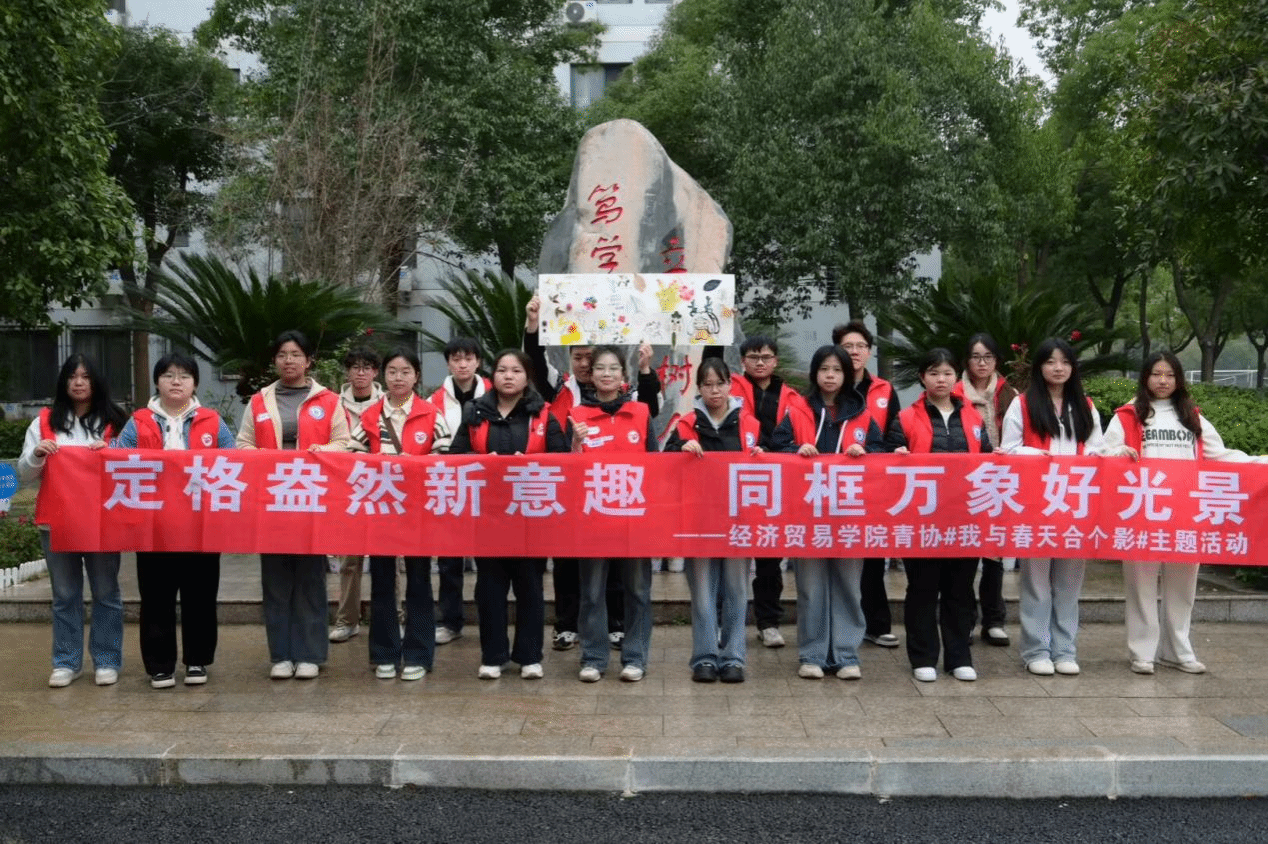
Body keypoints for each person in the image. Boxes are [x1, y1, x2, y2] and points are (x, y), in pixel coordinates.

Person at [1102, 351, 1263, 675]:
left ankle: (1176, 651)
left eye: (1170, 375)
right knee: (1141, 584)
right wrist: (1119, 452)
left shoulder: (1191, 416)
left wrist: (1260, 463)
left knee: (1183, 587)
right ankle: (1142, 652)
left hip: (1186, 515)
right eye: (1156, 374)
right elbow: (1104, 453)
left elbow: (1220, 455)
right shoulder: (1128, 415)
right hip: (1142, 512)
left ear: (1178, 379)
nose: (1163, 381)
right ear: (1145, 377)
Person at [524, 295, 662, 653]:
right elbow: (535, 360)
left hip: (618, 492)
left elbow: (650, 408)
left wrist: (646, 368)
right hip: (569, 488)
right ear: (570, 359)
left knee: (615, 564)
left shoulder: (627, 395)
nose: (586, 365)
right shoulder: (561, 387)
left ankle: (616, 626)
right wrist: (534, 325)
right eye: (579, 358)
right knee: (568, 562)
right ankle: (567, 625)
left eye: (593, 358)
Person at [112, 352, 236, 688]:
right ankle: (160, 665)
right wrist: (99, 450)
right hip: (154, 527)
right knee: (156, 597)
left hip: (200, 526)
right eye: (168, 375)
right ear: (157, 382)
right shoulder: (138, 422)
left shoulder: (213, 421)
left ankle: (197, 660)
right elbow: (116, 459)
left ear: (195, 383)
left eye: (184, 375)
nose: (176, 381)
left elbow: (234, 462)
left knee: (201, 595)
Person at [236, 330, 351, 680]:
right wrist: (260, 456)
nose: (289, 360)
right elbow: (242, 444)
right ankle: (281, 655)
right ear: (275, 361)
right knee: (275, 579)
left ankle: (310, 654)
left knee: (310, 578)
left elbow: (344, 442)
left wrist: (323, 451)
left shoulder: (329, 400)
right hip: (271, 501)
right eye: (283, 354)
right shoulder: (259, 401)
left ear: (308, 360)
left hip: (311, 499)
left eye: (296, 354)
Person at [450, 349, 568, 680]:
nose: (508, 376)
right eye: (502, 370)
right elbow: (454, 457)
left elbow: (562, 462)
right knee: (489, 589)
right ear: (493, 376)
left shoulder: (542, 414)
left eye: (516, 370)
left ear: (527, 377)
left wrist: (530, 463)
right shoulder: (475, 412)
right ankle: (493, 656)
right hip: (488, 516)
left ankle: (530, 656)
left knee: (530, 586)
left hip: (530, 515)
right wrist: (481, 460)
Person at [772, 345, 885, 681]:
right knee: (811, 587)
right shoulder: (797, 410)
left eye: (837, 370)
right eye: (824, 369)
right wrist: (796, 450)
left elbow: (882, 453)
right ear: (815, 373)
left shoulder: (863, 414)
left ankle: (846, 654)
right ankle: (813, 654)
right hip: (808, 514)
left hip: (850, 515)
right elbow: (776, 448)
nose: (831, 376)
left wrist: (864, 451)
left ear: (847, 374)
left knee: (849, 585)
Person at [18, 354, 127, 688]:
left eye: (85, 376)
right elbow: (23, 475)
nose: (79, 382)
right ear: (63, 382)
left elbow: (135, 467)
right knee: (65, 595)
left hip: (102, 522)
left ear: (96, 381)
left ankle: (107, 659)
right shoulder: (44, 422)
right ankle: (66, 662)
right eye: (72, 376)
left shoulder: (115, 421)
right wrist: (37, 455)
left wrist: (112, 452)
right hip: (57, 522)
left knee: (106, 592)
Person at [999, 338, 1103, 676]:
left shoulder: (1085, 405)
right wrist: (1037, 456)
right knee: (1036, 582)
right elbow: (1008, 449)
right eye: (1050, 362)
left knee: (1069, 583)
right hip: (1035, 504)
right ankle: (1036, 650)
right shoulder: (1023, 405)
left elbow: (1097, 450)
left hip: (1075, 504)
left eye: (1065, 362)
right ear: (1039, 367)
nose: (1058, 368)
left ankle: (1065, 650)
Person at [890, 348, 992, 683]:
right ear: (923, 377)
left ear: (956, 377)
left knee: (960, 589)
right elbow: (886, 463)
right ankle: (923, 657)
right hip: (921, 519)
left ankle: (959, 657)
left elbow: (986, 460)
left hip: (965, 517)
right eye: (934, 373)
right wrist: (895, 454)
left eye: (947, 373)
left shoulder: (973, 418)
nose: (941, 380)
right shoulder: (906, 418)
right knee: (922, 587)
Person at [663, 358, 761, 683]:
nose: (714, 390)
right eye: (707, 384)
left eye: (720, 383)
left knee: (736, 591)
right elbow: (664, 465)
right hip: (698, 521)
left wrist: (760, 455)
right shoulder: (686, 424)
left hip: (738, 520)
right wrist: (681, 448)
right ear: (699, 388)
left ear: (730, 385)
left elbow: (767, 464)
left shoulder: (750, 424)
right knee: (703, 594)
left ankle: (733, 657)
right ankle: (704, 657)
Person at [353, 349, 448, 681]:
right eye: (392, 371)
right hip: (381, 509)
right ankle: (384, 654)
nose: (398, 377)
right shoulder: (370, 416)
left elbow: (445, 458)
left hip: (419, 512)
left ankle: (419, 654)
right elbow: (353, 456)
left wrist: (416, 464)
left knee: (419, 581)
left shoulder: (432, 414)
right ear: (384, 375)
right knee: (381, 581)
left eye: (405, 371)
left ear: (416, 376)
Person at [566, 345, 658, 683]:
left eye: (614, 368)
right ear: (590, 375)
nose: (607, 374)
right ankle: (593, 658)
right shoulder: (577, 414)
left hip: (634, 518)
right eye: (600, 368)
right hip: (593, 519)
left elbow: (656, 465)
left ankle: (635, 658)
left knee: (638, 591)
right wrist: (575, 445)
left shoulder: (640, 412)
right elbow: (567, 473)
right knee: (592, 593)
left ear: (624, 376)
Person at [729, 335, 808, 649]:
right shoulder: (729, 389)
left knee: (770, 557)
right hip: (736, 481)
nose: (759, 362)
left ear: (775, 361)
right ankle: (727, 622)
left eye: (765, 357)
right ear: (743, 361)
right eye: (753, 357)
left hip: (776, 483)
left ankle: (769, 622)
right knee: (731, 557)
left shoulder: (792, 396)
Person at [835, 321, 903, 650]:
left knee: (873, 555)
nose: (854, 352)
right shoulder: (829, 385)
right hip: (835, 485)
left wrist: (881, 454)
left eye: (860, 346)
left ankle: (877, 624)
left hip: (874, 484)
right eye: (847, 346)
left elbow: (895, 433)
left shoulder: (885, 390)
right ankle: (839, 625)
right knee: (838, 555)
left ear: (870, 351)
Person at [953, 332, 1020, 648]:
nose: (982, 363)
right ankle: (964, 620)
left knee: (995, 552)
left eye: (988, 357)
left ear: (996, 360)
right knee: (965, 554)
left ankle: (994, 620)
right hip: (961, 482)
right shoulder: (953, 392)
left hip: (1000, 481)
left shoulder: (1010, 394)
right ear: (967, 360)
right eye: (976, 356)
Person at [427, 337, 491, 647]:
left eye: (468, 358)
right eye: (456, 359)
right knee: (449, 560)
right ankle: (450, 621)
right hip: (449, 486)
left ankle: (489, 618)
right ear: (448, 363)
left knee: (488, 560)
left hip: (489, 488)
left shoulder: (495, 392)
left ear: (478, 361)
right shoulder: (434, 401)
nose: (462, 364)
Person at [329, 346, 383, 644]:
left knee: (389, 560)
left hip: (384, 489)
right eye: (355, 367)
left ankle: (393, 618)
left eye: (367, 367)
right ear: (347, 372)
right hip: (346, 489)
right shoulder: (332, 404)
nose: (361, 373)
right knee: (348, 559)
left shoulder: (388, 403)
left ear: (375, 372)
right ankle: (347, 620)